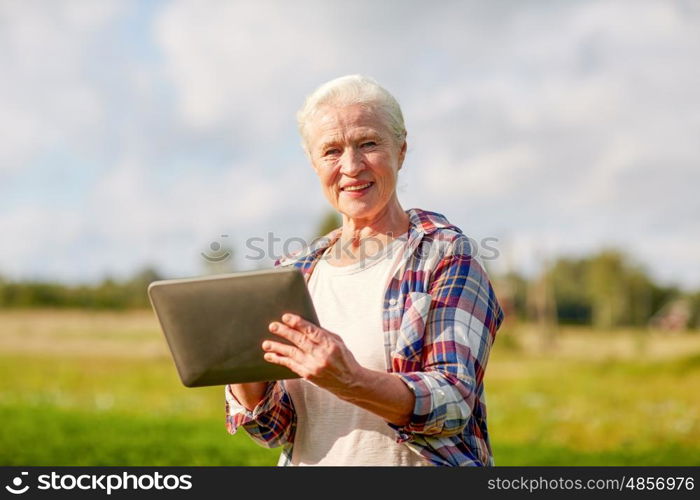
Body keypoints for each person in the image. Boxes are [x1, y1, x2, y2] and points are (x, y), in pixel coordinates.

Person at [225, 75, 504, 466]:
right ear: (313, 162)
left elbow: (453, 402)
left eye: (368, 143)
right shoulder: (294, 274)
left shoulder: (447, 256)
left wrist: (350, 379)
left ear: (401, 151)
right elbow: (277, 429)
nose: (351, 166)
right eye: (332, 151)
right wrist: (240, 369)